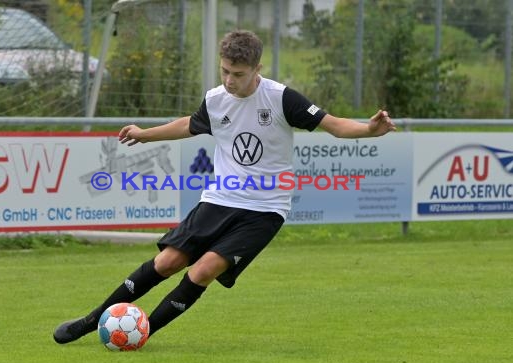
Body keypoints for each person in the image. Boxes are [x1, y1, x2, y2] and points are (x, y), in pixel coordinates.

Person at [53, 30, 396, 344]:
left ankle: (142, 333)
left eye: (238, 74)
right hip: (220, 198)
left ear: (256, 68)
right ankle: (91, 320)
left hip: (265, 209)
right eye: (225, 71)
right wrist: (144, 134)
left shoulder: (281, 99)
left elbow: (334, 125)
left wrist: (368, 130)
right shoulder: (216, 99)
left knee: (204, 269)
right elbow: (190, 124)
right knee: (167, 261)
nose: (230, 81)